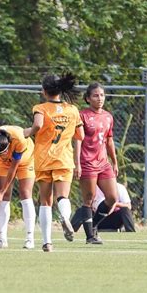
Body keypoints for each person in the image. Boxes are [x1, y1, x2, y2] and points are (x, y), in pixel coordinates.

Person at [24, 73, 84, 252]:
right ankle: (65, 216)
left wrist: (27, 132)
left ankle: (47, 242)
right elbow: (80, 135)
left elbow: (38, 126)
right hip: (64, 158)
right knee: (62, 196)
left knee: (45, 201)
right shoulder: (72, 110)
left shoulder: (40, 108)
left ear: (44, 91)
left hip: (43, 158)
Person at [73, 82, 119, 244]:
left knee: (112, 197)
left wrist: (115, 161)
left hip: (103, 163)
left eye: (102, 95)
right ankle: (90, 236)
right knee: (89, 199)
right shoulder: (82, 115)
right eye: (95, 95)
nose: (100, 98)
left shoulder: (108, 116)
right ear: (87, 98)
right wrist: (77, 163)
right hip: (87, 162)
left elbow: (109, 140)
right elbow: (78, 140)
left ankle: (92, 225)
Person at [0, 126, 36, 249]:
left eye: (3, 153)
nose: (0, 156)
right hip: (6, 164)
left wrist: (1, 191)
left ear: (9, 145)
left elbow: (14, 168)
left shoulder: (19, 140)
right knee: (4, 197)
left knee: (25, 193)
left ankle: (30, 238)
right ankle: (2, 239)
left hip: (26, 159)